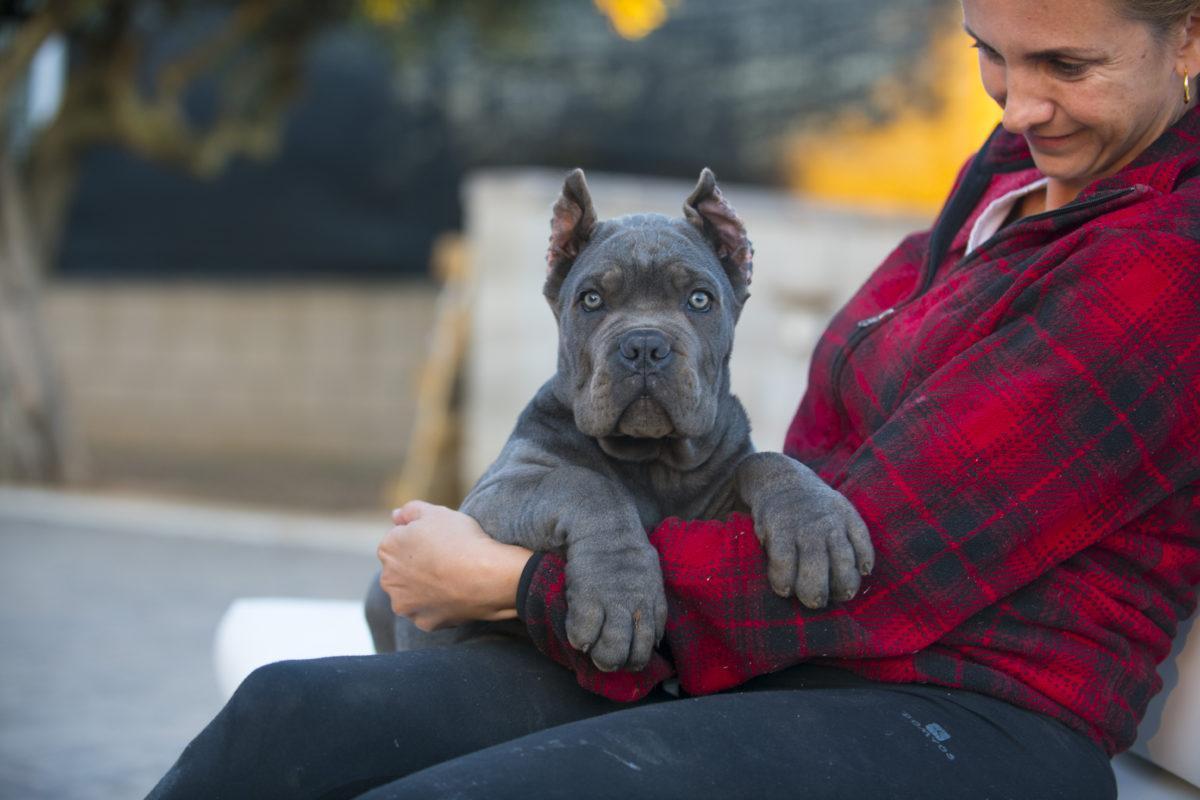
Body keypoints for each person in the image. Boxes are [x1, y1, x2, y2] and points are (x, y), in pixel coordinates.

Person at [147, 0, 1200, 797]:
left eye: (1067, 65)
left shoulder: (1162, 267)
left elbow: (885, 575)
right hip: (789, 653)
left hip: (968, 711)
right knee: (290, 711)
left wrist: (517, 586)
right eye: (990, 52)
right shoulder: (1015, 176)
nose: (1020, 104)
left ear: (1190, 36)